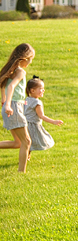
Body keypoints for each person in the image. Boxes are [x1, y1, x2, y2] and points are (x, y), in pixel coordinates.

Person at [0, 43, 36, 173]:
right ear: (25, 58)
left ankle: (22, 171)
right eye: (31, 59)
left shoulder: (11, 70)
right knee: (26, 141)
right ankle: (21, 173)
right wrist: (8, 103)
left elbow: (3, 84)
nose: (30, 62)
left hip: (14, 106)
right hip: (13, 107)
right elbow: (11, 87)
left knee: (18, 143)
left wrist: (3, 99)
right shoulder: (20, 71)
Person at [24, 76, 63, 152]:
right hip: (33, 126)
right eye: (41, 89)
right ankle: (25, 157)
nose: (43, 90)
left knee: (28, 142)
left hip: (25, 124)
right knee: (40, 141)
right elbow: (41, 116)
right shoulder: (37, 102)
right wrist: (53, 121)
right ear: (32, 90)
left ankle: (26, 156)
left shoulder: (27, 99)